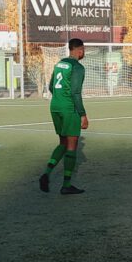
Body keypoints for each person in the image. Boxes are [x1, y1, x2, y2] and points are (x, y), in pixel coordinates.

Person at [40, 38, 89, 194]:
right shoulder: (77, 67)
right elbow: (75, 93)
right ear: (80, 50)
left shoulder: (60, 63)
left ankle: (47, 173)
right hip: (69, 108)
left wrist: (60, 98)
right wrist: (83, 115)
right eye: (83, 49)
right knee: (71, 146)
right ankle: (66, 185)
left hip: (55, 106)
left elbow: (51, 86)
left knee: (62, 142)